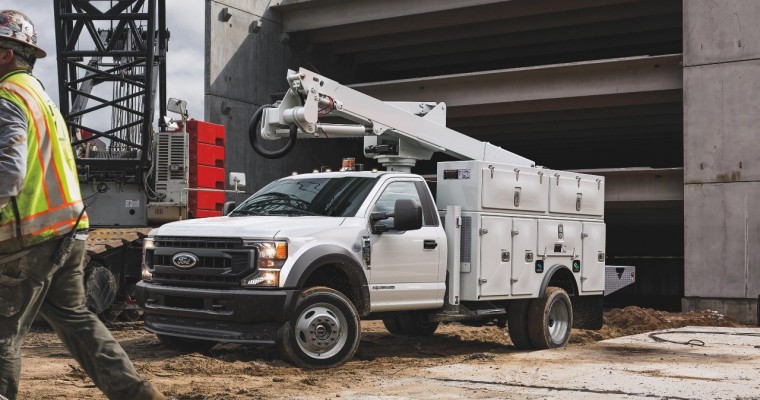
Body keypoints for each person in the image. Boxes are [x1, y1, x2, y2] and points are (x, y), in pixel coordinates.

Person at [0, 10, 165, 400]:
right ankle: (139, 396)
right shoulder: (41, 97)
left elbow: (8, 170)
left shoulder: (6, 96)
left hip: (30, 238)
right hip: (68, 231)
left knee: (3, 333)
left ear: (5, 54)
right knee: (78, 323)